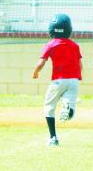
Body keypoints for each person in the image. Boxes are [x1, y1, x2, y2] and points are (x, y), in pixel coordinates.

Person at [33, 14, 83, 146]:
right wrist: (78, 76)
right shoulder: (75, 45)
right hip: (73, 81)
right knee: (69, 109)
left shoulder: (51, 45)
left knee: (49, 107)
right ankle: (69, 108)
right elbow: (80, 64)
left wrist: (36, 72)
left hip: (58, 81)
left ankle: (53, 138)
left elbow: (41, 62)